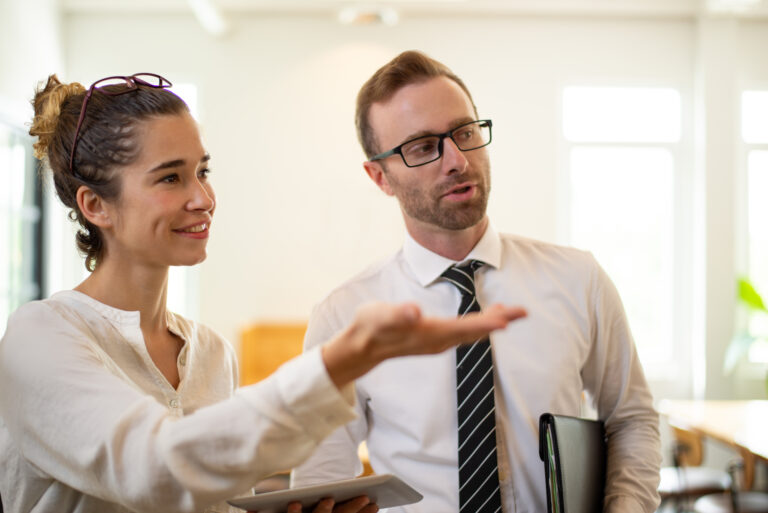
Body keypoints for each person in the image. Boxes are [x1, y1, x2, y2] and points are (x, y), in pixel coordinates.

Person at [0, 73, 527, 513]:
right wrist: (336, 364)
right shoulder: (41, 336)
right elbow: (155, 470)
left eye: (202, 172)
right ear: (96, 206)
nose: (203, 198)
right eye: (170, 179)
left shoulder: (210, 353)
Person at [291, 51, 662, 513]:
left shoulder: (578, 279)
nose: (458, 160)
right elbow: (322, 479)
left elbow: (631, 418)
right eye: (423, 146)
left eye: (465, 133)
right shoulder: (344, 317)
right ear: (380, 177)